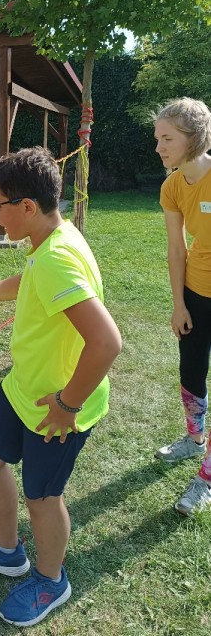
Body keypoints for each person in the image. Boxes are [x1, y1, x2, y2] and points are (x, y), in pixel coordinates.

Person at [0, 148, 122, 627]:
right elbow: (31, 279)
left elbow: (106, 342)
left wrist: (67, 404)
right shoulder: (51, 240)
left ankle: (50, 579)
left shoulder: (58, 256)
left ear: (26, 206)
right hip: (24, 386)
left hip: (57, 403)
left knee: (42, 498)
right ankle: (6, 550)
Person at [153, 97, 211, 516]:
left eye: (167, 138)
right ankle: (195, 440)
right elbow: (177, 249)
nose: (158, 147)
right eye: (157, 138)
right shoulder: (172, 186)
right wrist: (179, 304)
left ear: (194, 138)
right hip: (195, 293)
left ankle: (206, 479)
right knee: (191, 373)